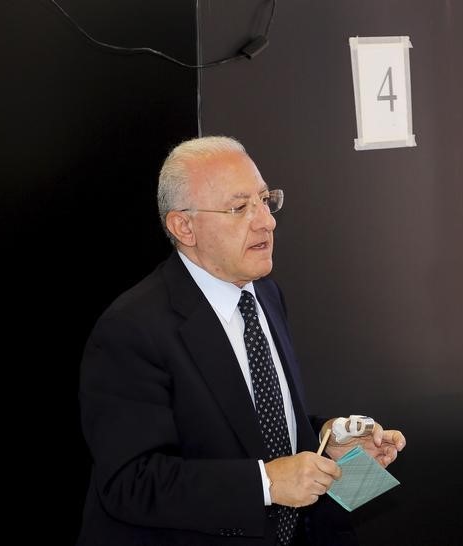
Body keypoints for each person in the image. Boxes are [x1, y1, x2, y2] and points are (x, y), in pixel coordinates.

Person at [76, 135, 406, 546]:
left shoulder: (265, 293)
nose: (266, 220)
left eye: (266, 200)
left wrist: (333, 447)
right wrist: (265, 482)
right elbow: (131, 483)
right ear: (183, 226)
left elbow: (257, 428)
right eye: (239, 208)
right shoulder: (130, 329)